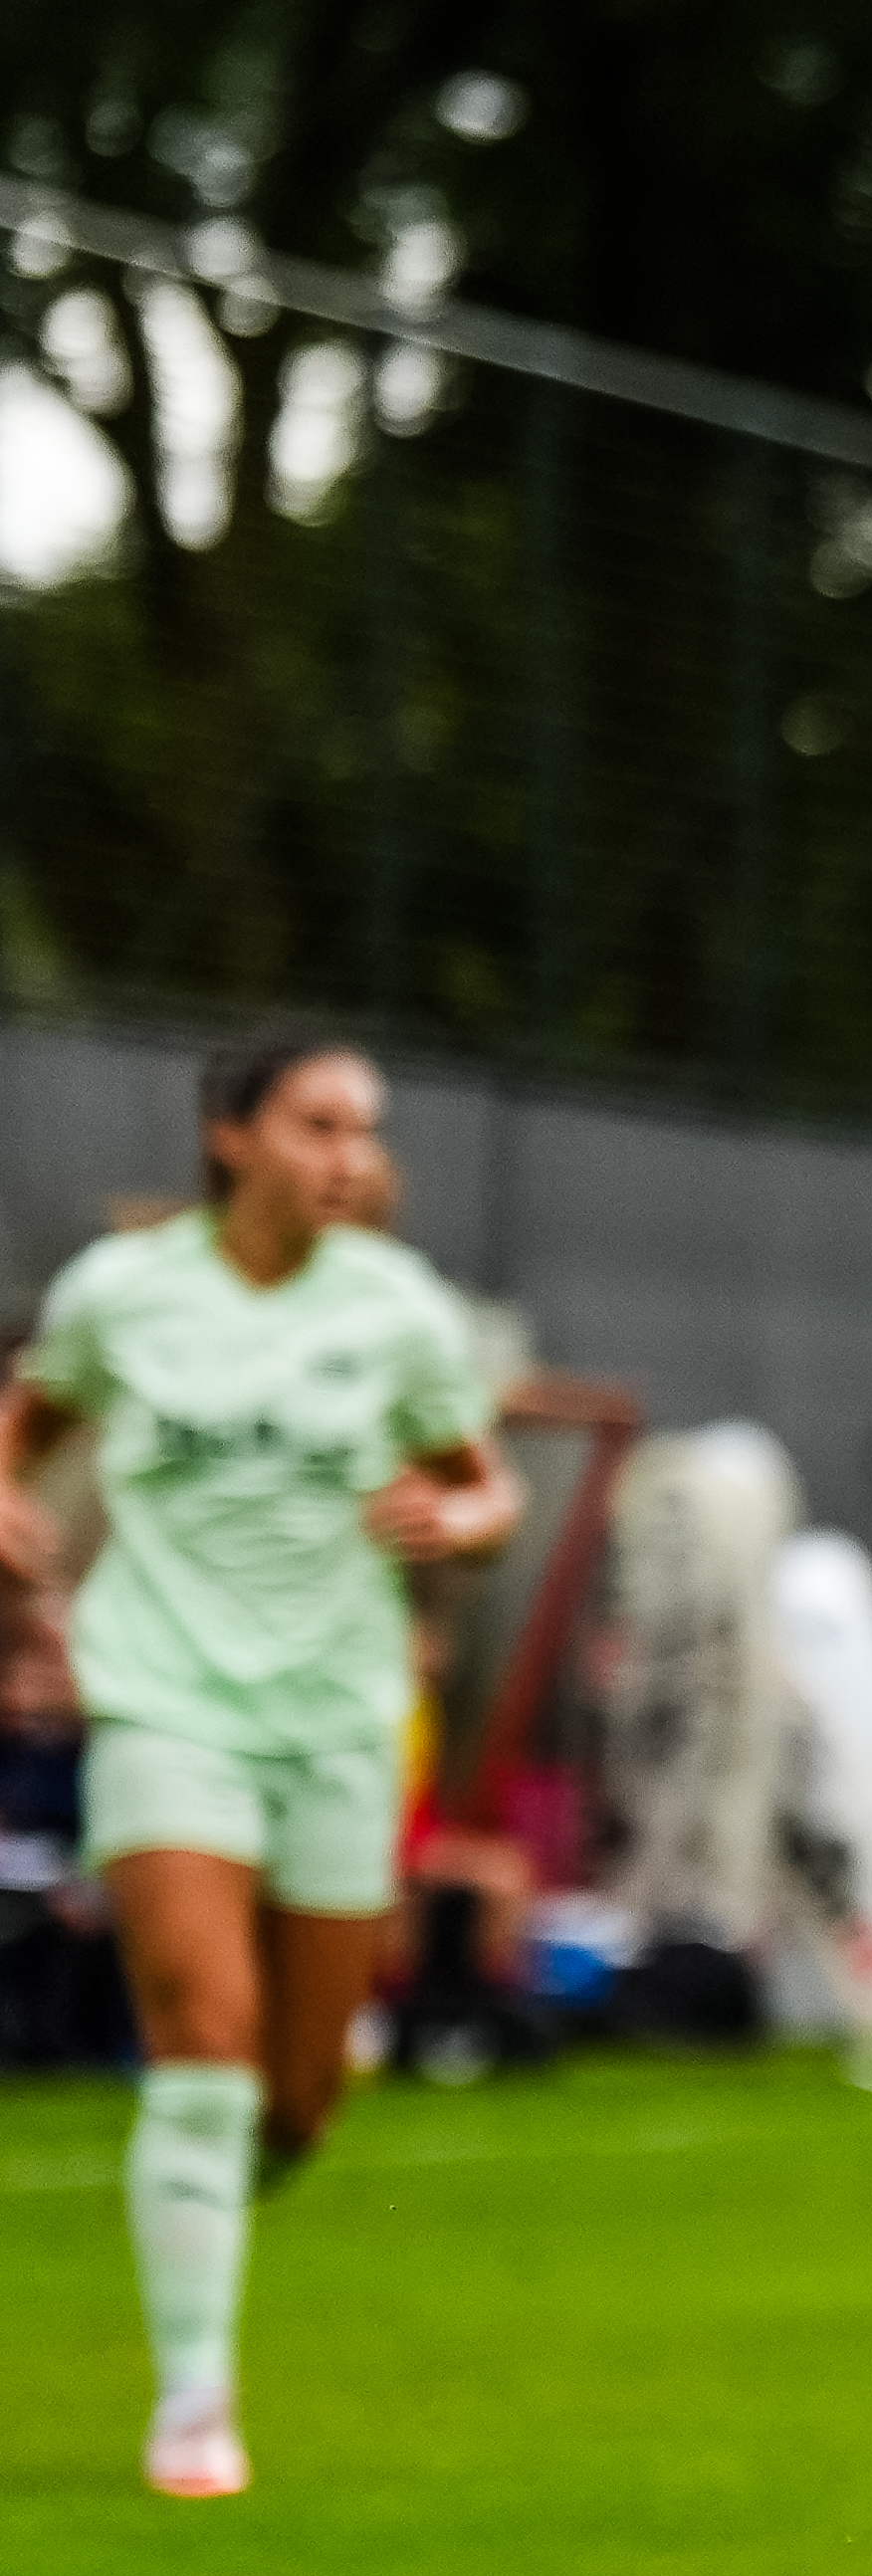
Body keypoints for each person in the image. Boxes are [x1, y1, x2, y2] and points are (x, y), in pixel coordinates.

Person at [0, 1037, 520, 2495]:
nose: (348, 1152)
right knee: (202, 2041)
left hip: (339, 1718)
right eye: (317, 1123)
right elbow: (30, 1429)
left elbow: (485, 1483)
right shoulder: (127, 1295)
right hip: (164, 1700)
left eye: (363, 1128)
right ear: (232, 1138)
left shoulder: (399, 1313)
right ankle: (192, 2406)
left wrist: (462, 1523)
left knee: (296, 2101)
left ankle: (244, 2173)